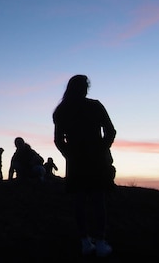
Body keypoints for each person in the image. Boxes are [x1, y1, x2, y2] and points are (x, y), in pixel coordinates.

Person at [53, 74, 116, 258]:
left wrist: (69, 154)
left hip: (76, 161)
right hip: (96, 160)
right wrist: (101, 149)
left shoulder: (61, 111)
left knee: (80, 201)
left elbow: (58, 140)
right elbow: (110, 131)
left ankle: (85, 242)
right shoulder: (95, 106)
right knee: (98, 200)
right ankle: (101, 241)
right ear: (85, 88)